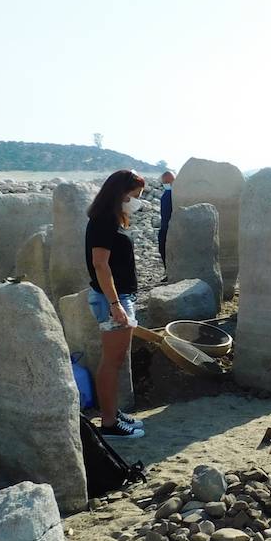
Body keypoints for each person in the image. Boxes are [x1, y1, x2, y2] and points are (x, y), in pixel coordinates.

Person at [86, 169, 148, 439]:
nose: (137, 200)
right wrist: (115, 303)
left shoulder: (111, 218)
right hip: (112, 299)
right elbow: (100, 264)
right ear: (121, 193)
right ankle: (109, 423)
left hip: (119, 298)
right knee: (111, 362)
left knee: (116, 360)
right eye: (135, 195)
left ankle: (113, 412)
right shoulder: (103, 220)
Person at [157, 170, 175, 266]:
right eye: (165, 183)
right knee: (163, 249)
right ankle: (168, 272)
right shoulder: (166, 195)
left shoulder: (177, 194)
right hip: (165, 228)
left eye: (169, 182)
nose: (167, 184)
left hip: (175, 228)